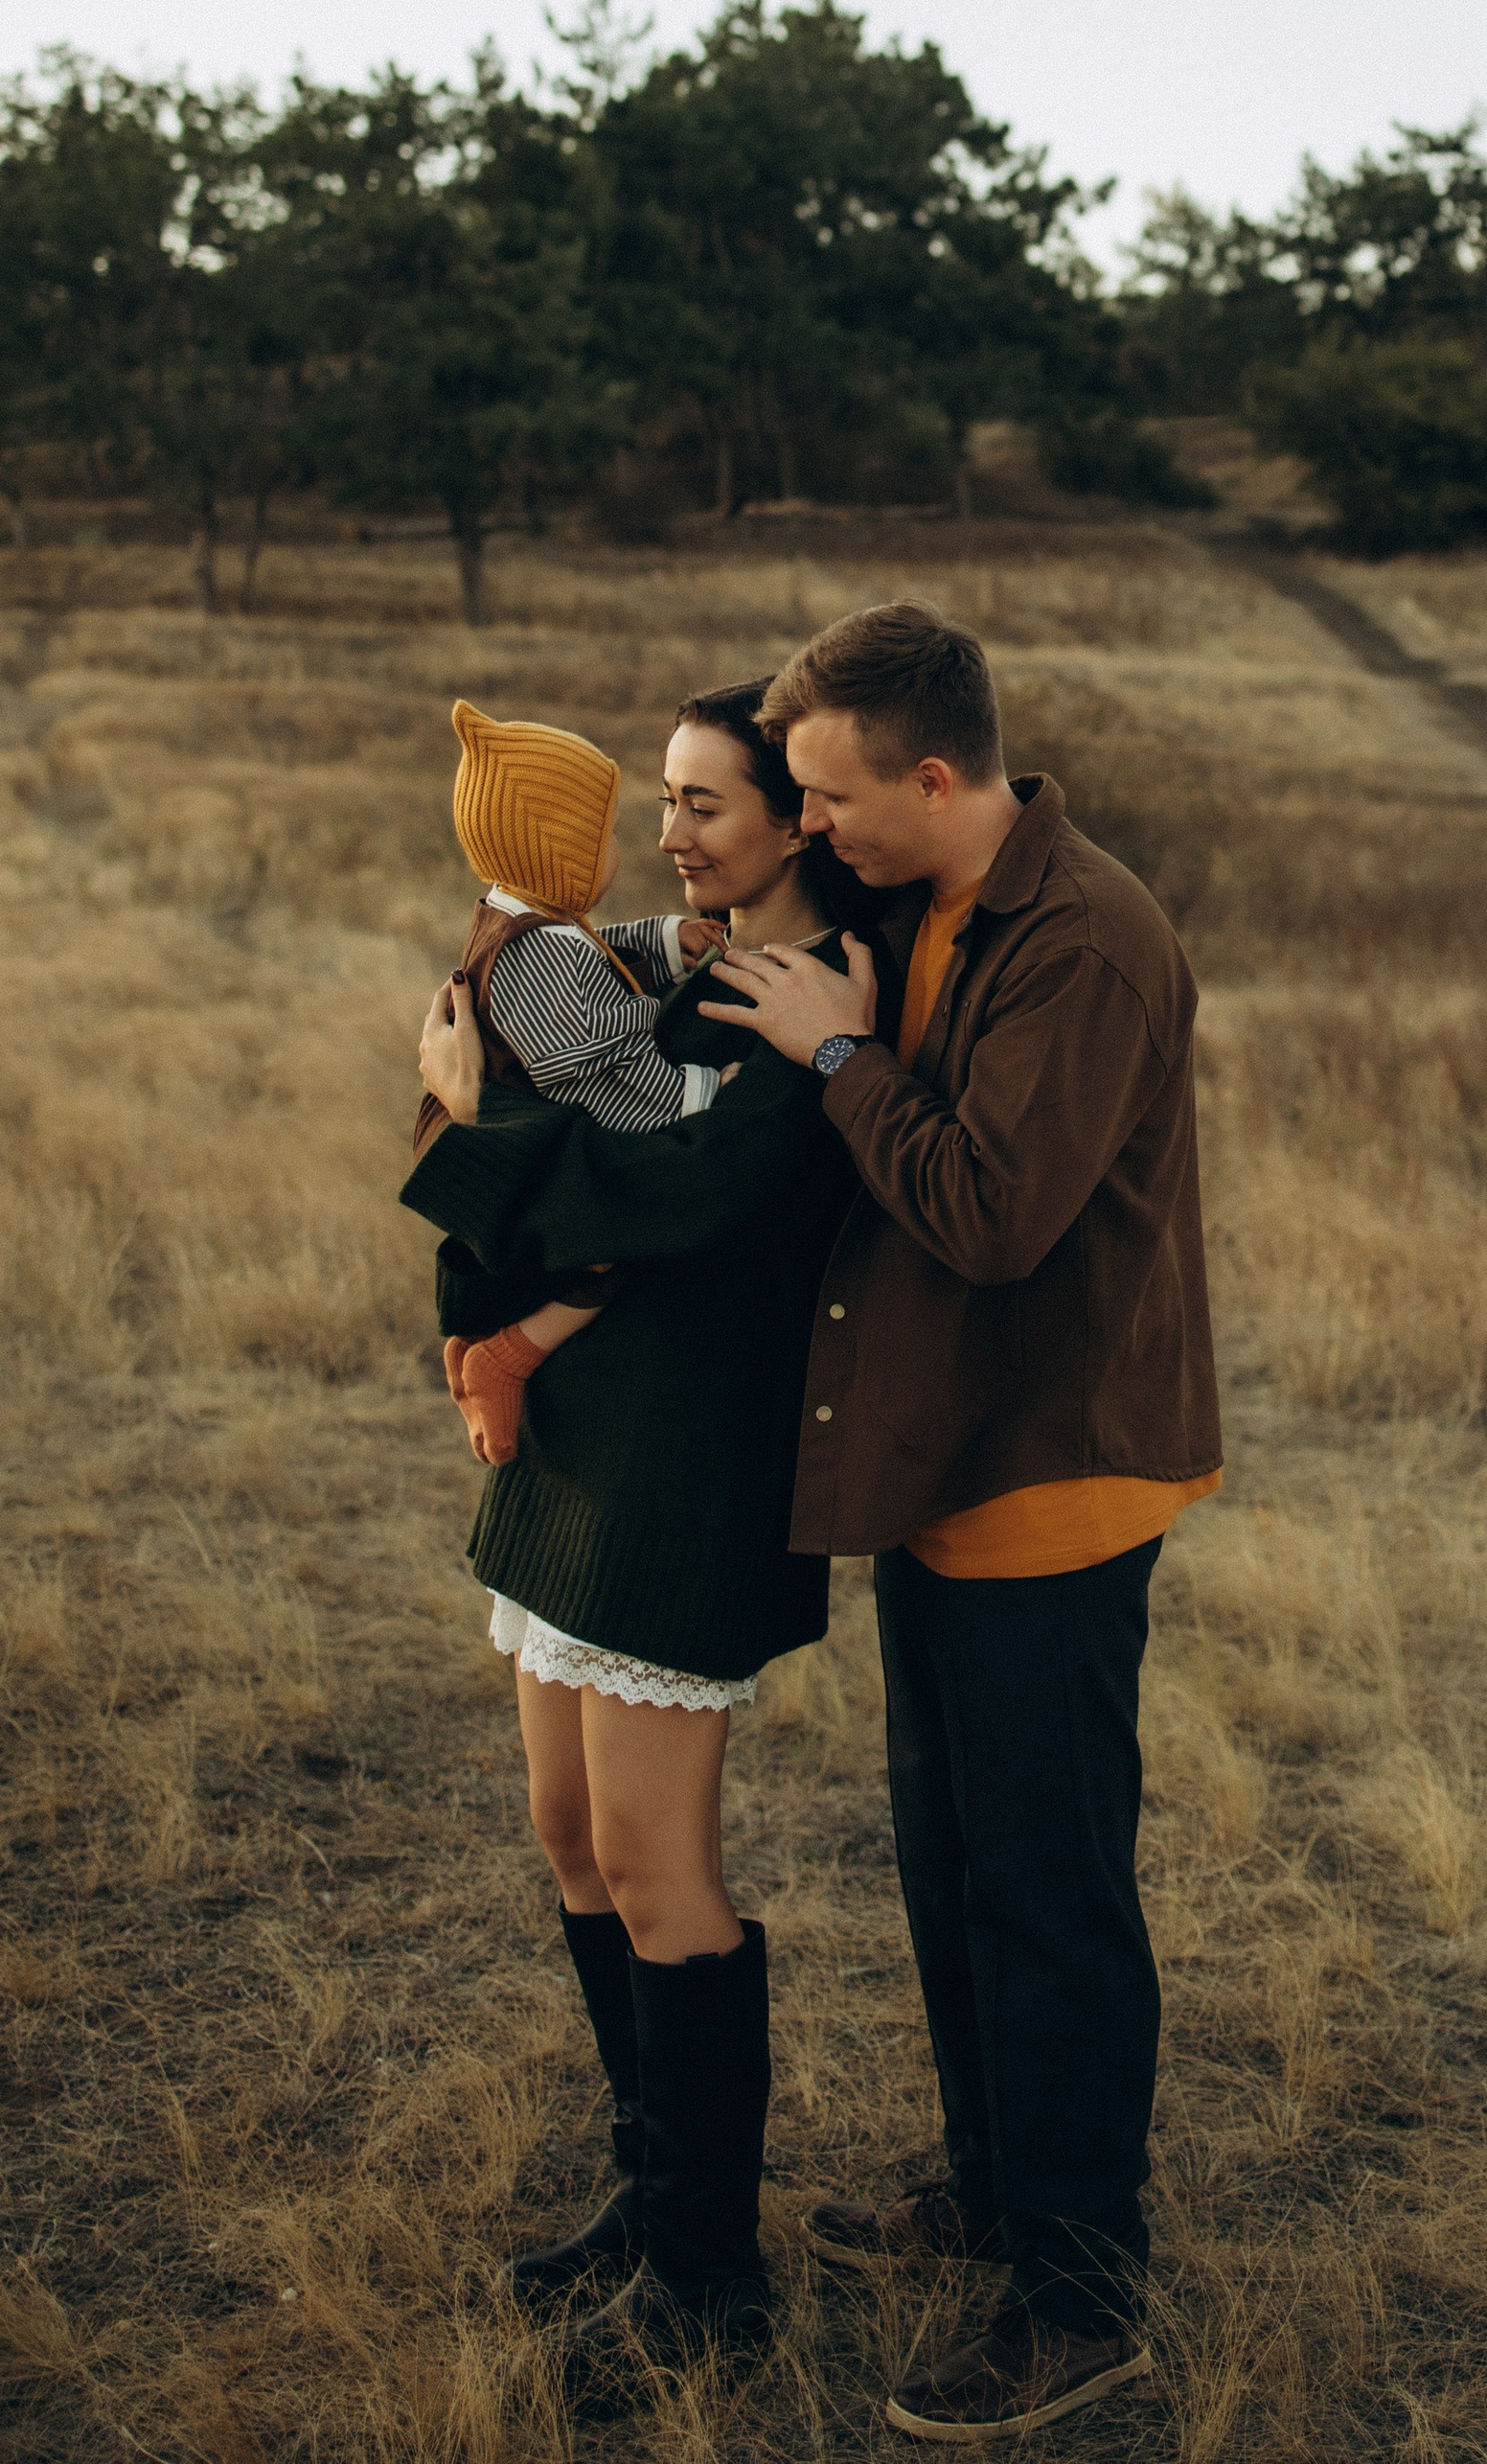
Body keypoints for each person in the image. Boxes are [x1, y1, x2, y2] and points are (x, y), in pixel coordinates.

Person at [411, 601, 1222, 2448]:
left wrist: (838, 1061)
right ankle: (989, 2192)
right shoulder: (925, 911)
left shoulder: (1078, 941)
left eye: (823, 795)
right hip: (944, 1461)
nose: (813, 822)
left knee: (1048, 1896)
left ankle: (1079, 2295)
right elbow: (654, 1072)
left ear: (925, 776)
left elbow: (983, 1212)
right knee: (955, 1871)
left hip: (1054, 1462)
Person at [407, 679, 864, 2406]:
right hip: (584, 1455)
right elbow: (600, 1137)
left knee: (660, 1865)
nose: (667, 836)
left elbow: (662, 1197)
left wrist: (473, 1122)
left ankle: (708, 2282)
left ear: (798, 817)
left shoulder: (813, 1006)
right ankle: (649, 2189)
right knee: (571, 1834)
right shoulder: (694, 966)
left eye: (702, 804)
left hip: (687, 1468)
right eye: (660, 801)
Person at [417, 697, 730, 1465]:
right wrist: (695, 1092)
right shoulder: (536, 951)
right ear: (553, 853)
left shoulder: (532, 920)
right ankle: (505, 1356)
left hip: (519, 1130)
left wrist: (667, 942)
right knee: (611, 1251)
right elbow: (595, 1060)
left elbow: (600, 953)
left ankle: (486, 1349)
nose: (627, 851)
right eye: (605, 839)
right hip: (523, 1142)